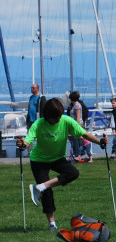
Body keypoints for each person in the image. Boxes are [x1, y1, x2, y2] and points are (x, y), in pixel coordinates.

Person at [17, 98, 108, 230]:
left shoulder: (66, 121)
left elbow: (84, 134)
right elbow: (28, 140)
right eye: (56, 117)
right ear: (48, 116)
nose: (59, 119)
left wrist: (100, 142)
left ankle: (40, 187)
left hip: (57, 158)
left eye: (60, 115)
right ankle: (52, 223)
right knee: (47, 193)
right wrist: (22, 144)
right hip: (39, 160)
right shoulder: (38, 124)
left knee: (73, 173)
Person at [68, 91, 92, 163]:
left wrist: (76, 127)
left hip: (78, 125)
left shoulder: (77, 105)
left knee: (78, 140)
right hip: (73, 125)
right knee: (74, 140)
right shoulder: (74, 105)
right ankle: (77, 154)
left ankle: (79, 154)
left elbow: (78, 117)